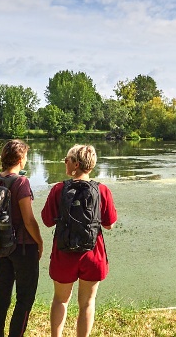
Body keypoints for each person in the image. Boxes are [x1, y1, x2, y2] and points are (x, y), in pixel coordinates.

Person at [42, 144, 118, 337]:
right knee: (87, 303)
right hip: (92, 253)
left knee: (60, 300)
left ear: (75, 164)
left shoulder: (59, 189)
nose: (65, 162)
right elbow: (109, 225)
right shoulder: (102, 191)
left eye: (67, 159)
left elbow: (47, 221)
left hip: (63, 253)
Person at [0, 139, 44, 337]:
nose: (26, 160)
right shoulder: (21, 182)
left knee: (1, 292)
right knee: (25, 298)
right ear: (20, 159)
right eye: (26, 156)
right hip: (22, 246)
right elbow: (28, 220)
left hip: (1, 245)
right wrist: (39, 241)